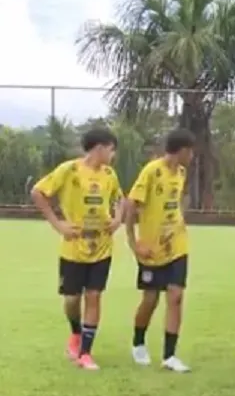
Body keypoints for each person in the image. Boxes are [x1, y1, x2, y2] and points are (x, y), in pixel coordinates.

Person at [31, 128, 123, 370]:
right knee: (72, 299)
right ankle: (75, 332)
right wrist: (58, 224)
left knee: (94, 296)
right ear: (100, 148)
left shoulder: (109, 174)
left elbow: (119, 199)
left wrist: (117, 219)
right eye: (111, 150)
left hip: (102, 247)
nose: (113, 155)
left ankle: (85, 353)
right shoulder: (69, 170)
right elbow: (38, 192)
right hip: (73, 247)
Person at [126, 128, 195, 373]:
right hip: (152, 249)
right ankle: (138, 343)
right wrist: (134, 243)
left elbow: (179, 199)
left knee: (176, 296)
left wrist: (179, 220)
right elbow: (131, 206)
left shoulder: (182, 173)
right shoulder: (152, 171)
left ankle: (169, 355)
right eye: (190, 151)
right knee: (151, 299)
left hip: (176, 244)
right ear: (182, 151)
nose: (192, 156)